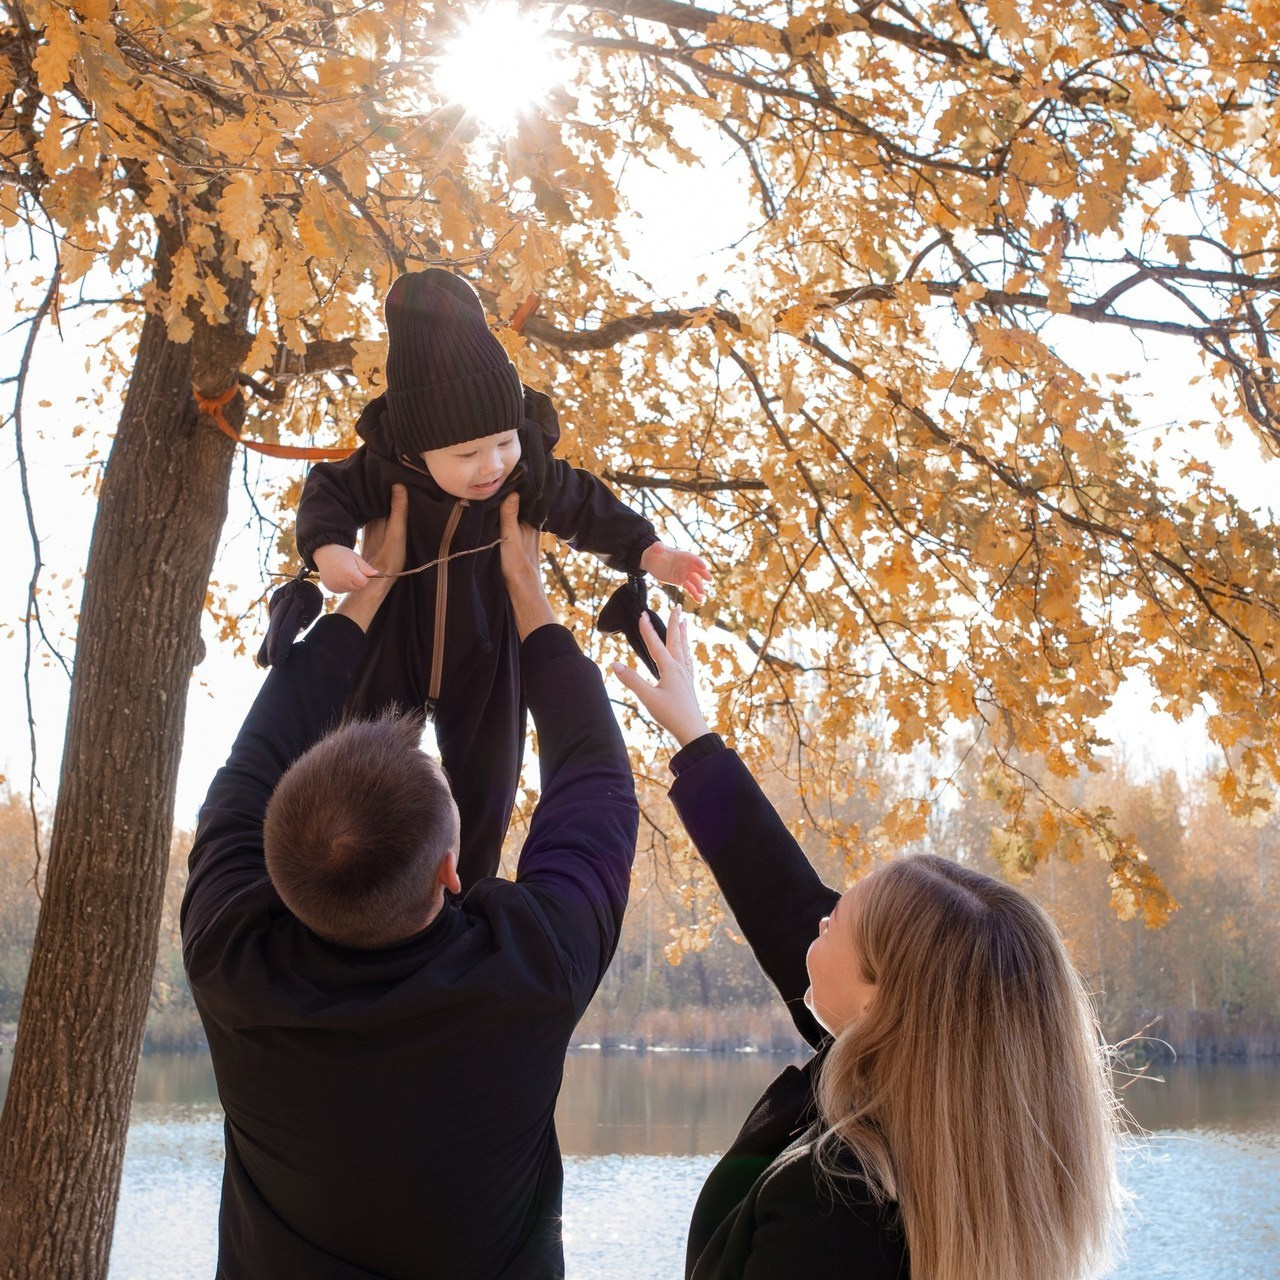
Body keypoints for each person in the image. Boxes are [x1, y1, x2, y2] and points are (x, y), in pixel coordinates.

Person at [181, 488, 639, 1279]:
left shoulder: (233, 959)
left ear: (273, 856)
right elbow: (596, 782)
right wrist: (527, 593)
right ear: (451, 872)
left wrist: (366, 592)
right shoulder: (531, 971)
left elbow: (251, 766)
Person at [614, 610, 1125, 1280]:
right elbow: (780, 897)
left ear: (881, 1000)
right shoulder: (945, 1122)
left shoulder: (831, 1205)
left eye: (837, 924)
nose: (819, 921)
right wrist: (695, 740)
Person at [265, 267, 709, 888]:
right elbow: (327, 492)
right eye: (466, 456)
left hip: (488, 648)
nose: (491, 466)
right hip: (393, 640)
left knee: (489, 780)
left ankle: (465, 889)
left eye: (502, 443)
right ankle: (364, 884)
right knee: (361, 761)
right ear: (421, 451)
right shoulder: (385, 469)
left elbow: (586, 506)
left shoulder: (527, 472)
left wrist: (652, 554)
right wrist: (329, 550)